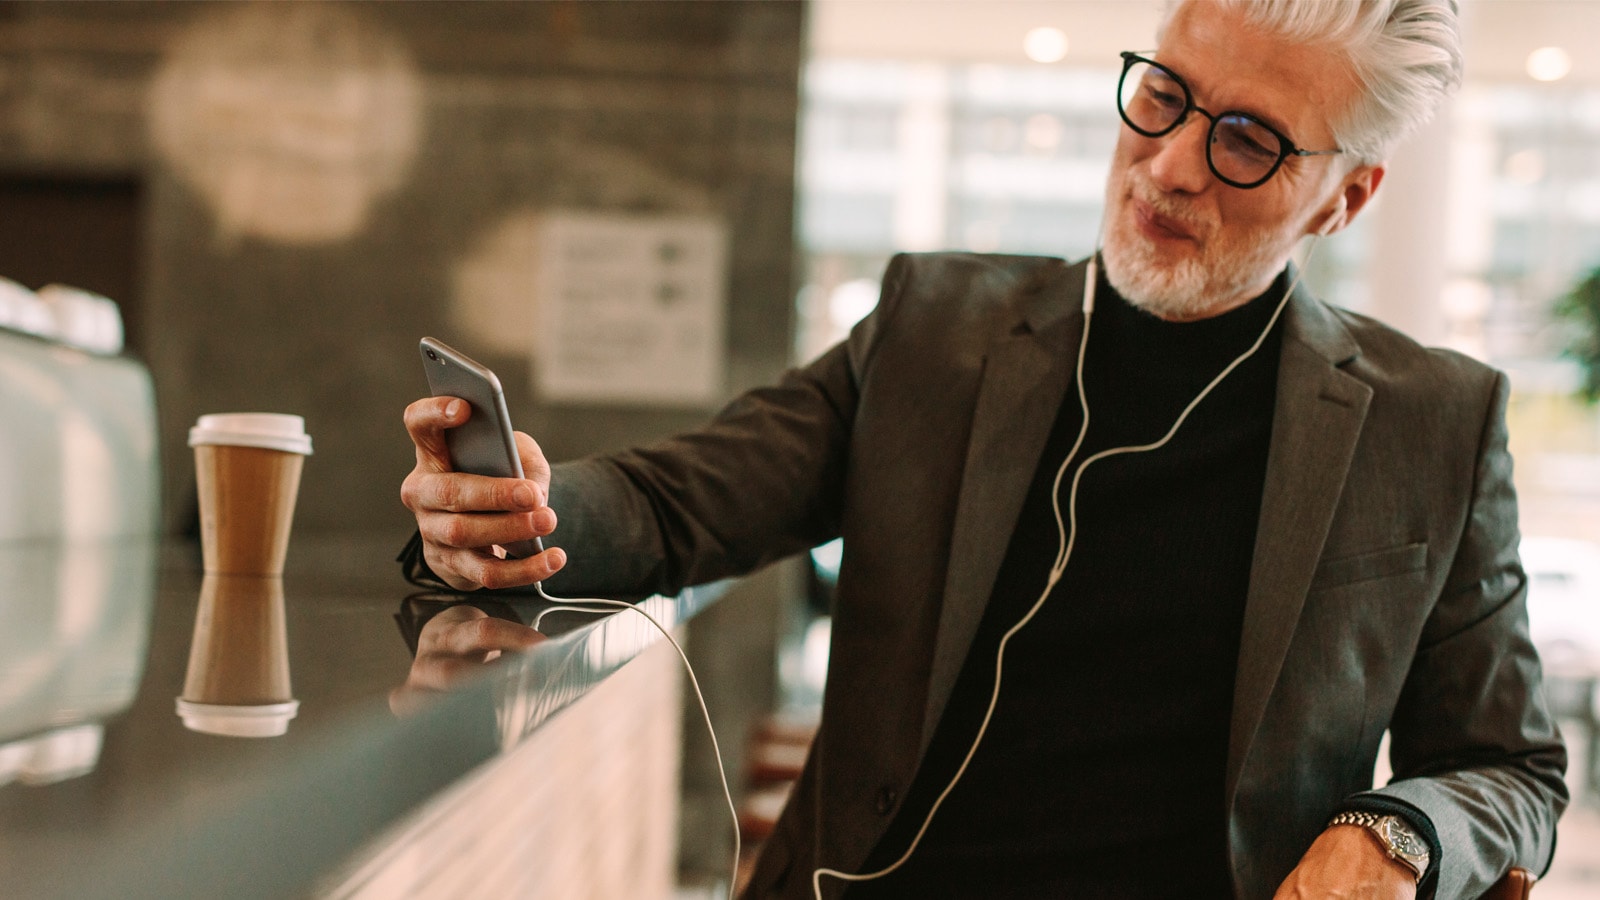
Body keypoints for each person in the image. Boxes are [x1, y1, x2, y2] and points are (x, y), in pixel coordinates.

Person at [400, 0, 1568, 896]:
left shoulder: (1432, 424)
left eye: (1248, 142)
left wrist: (1398, 831)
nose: (1166, 164)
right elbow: (675, 505)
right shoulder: (933, 329)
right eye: (1163, 95)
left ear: (1342, 201)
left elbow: (1510, 770)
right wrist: (518, 511)